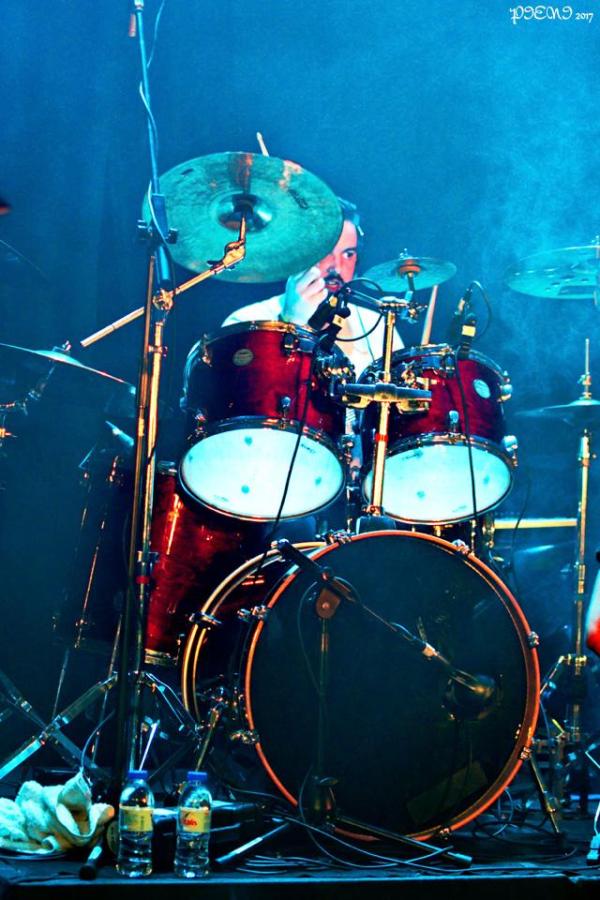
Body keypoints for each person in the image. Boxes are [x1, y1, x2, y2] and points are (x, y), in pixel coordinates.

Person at [221, 199, 402, 376]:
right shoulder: (246, 322)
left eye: (348, 254)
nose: (337, 267)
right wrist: (292, 323)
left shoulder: (378, 326)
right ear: (302, 255)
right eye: (326, 252)